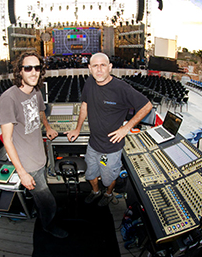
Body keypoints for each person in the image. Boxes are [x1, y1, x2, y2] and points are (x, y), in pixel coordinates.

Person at [65, 52, 153, 206]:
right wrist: (77, 128)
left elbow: (147, 106)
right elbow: (84, 106)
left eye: (103, 65)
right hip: (93, 146)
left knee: (107, 178)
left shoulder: (121, 88)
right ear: (90, 68)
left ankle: (108, 193)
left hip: (110, 150)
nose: (99, 69)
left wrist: (126, 128)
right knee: (90, 174)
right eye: (95, 66)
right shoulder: (89, 83)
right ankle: (95, 192)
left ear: (110, 67)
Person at [0, 51, 68, 238]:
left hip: (40, 156)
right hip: (27, 164)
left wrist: (48, 127)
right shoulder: (8, 99)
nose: (33, 72)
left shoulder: (36, 90)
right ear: (19, 71)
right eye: (28, 68)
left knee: (41, 194)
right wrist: (22, 172)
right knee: (47, 200)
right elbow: (7, 139)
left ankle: (43, 210)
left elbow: (40, 112)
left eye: (37, 68)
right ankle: (48, 225)